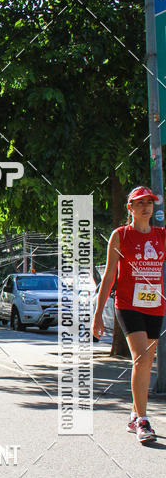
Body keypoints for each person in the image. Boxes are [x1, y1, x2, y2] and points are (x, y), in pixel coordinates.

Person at [93, 185, 165, 444]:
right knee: (142, 359)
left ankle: (135, 413)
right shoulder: (121, 235)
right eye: (140, 202)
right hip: (128, 304)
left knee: (148, 362)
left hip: (155, 306)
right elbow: (110, 275)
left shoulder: (161, 235)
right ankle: (143, 422)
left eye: (149, 202)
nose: (146, 206)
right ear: (130, 208)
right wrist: (98, 313)